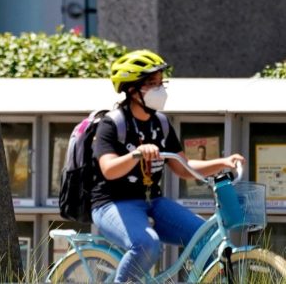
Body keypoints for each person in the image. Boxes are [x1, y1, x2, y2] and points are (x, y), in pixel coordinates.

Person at [91, 49, 244, 282]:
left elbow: (183, 167)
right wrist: (136, 155)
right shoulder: (112, 124)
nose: (159, 89)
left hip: (152, 201)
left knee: (205, 237)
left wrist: (222, 162)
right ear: (132, 90)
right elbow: (109, 170)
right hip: (112, 204)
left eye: (161, 83)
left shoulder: (161, 123)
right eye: (152, 83)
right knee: (146, 244)